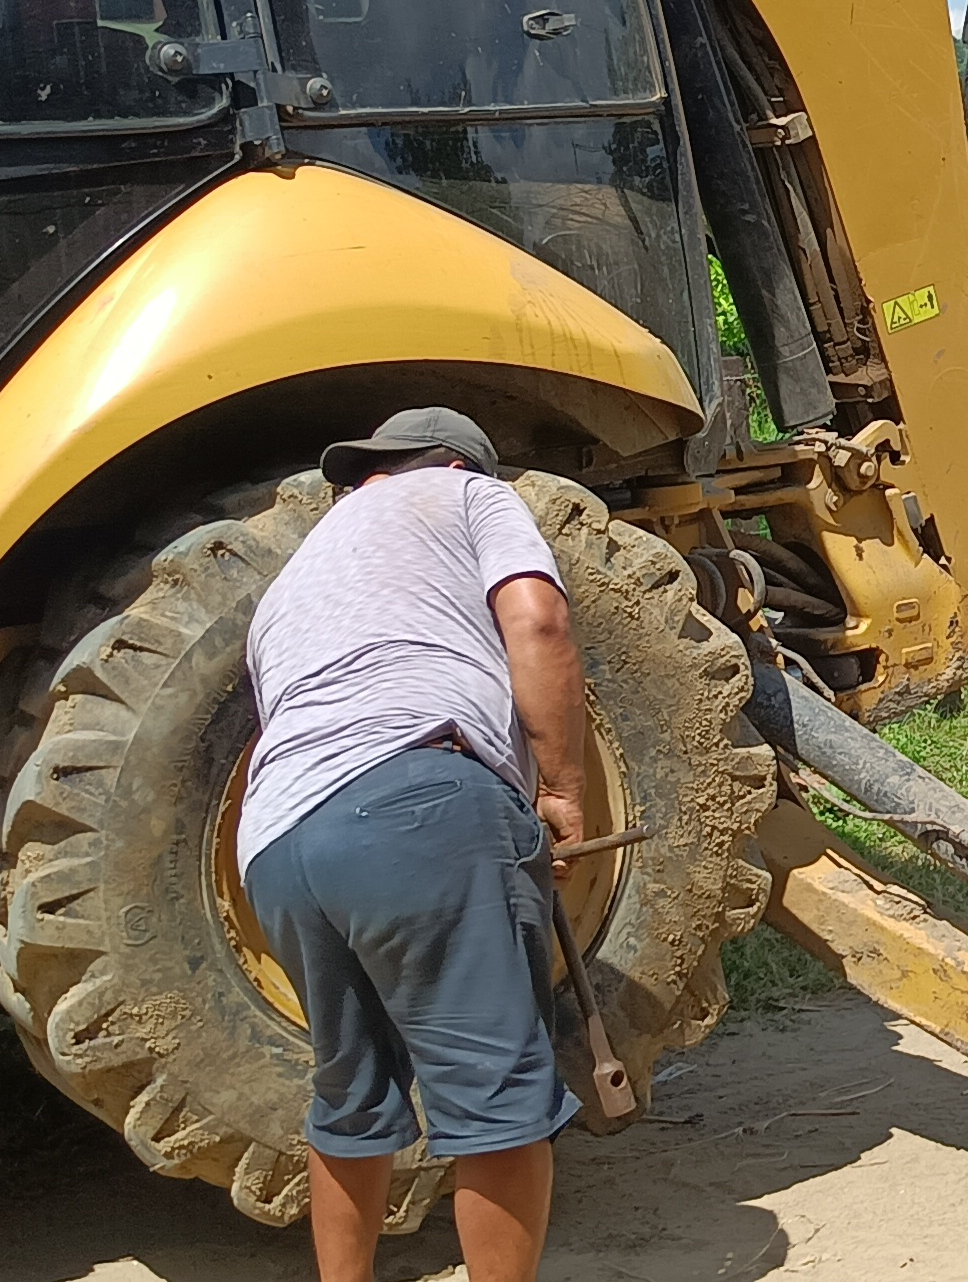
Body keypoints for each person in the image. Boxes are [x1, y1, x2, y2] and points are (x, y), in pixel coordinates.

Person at [237, 406, 595, 1282]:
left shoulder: (297, 572)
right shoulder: (470, 496)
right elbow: (539, 623)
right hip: (413, 803)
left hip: (276, 841)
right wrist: (560, 788)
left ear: (373, 471)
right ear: (458, 463)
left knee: (351, 1095)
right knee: (498, 1097)